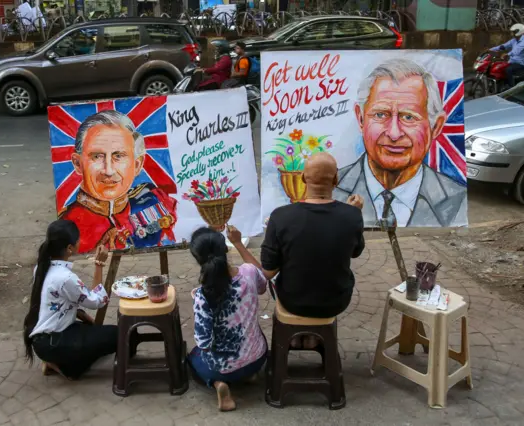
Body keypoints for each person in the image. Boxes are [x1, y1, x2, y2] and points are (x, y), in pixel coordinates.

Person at [335, 59, 467, 227]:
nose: (394, 133)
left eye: (409, 117)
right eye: (381, 115)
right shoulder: (328, 190)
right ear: (360, 118)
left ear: (436, 126)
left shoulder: (458, 200)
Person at [257, 153, 365, 347]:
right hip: (335, 301)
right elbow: (355, 252)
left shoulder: (281, 217)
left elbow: (268, 271)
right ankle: (312, 337)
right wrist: (352, 214)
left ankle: (298, 336)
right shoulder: (352, 215)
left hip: (293, 300)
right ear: (335, 179)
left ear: (303, 178)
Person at [60, 110, 177, 253]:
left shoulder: (151, 200)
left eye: (119, 156)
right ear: (78, 164)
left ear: (137, 165)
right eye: (97, 156)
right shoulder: (66, 225)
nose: (108, 171)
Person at [23, 219, 117, 380]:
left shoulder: (42, 266)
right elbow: (97, 301)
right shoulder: (65, 278)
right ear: (69, 248)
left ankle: (60, 362)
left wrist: (83, 316)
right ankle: (62, 365)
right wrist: (99, 264)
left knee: (98, 335)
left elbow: (61, 302)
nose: (80, 241)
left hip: (45, 337)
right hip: (53, 342)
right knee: (119, 336)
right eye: (78, 239)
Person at [188, 226, 268, 412]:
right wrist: (238, 243)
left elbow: (204, 343)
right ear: (226, 249)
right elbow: (263, 283)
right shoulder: (248, 273)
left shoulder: (203, 295)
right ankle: (248, 375)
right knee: (249, 332)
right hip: (257, 357)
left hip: (223, 368)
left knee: (193, 358)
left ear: (198, 258)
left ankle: (219, 384)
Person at [490, 23, 524, 89]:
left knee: (508, 70)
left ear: (519, 31)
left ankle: (511, 88)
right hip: (511, 62)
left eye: (514, 32)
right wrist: (490, 50)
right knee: (497, 67)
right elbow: (504, 46)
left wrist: (507, 54)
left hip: (521, 63)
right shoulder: (514, 40)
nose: (512, 33)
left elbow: (517, 50)